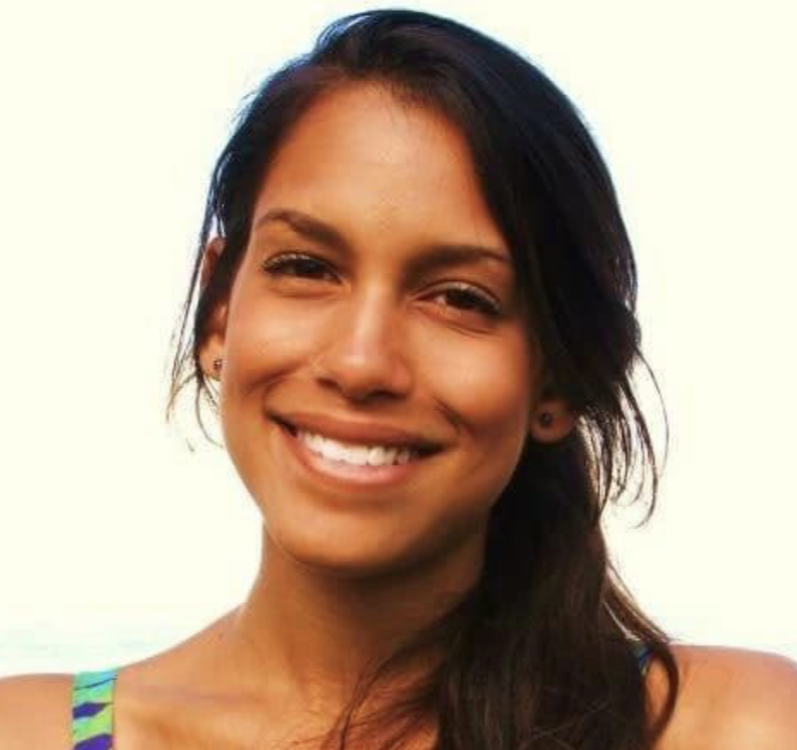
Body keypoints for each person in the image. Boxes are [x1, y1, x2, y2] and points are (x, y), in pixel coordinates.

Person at [1, 8, 795, 750]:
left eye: (459, 297)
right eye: (306, 267)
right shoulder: (30, 731)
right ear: (218, 313)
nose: (359, 363)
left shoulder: (726, 726)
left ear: (556, 377)